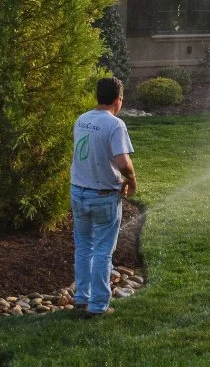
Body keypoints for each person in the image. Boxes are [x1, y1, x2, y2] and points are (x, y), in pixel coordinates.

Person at [70, 77, 137, 318]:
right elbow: (123, 161)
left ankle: (82, 297)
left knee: (83, 247)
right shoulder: (115, 125)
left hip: (78, 191)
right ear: (118, 99)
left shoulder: (82, 119)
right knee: (102, 251)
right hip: (103, 195)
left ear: (98, 96)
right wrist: (132, 179)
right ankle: (98, 306)